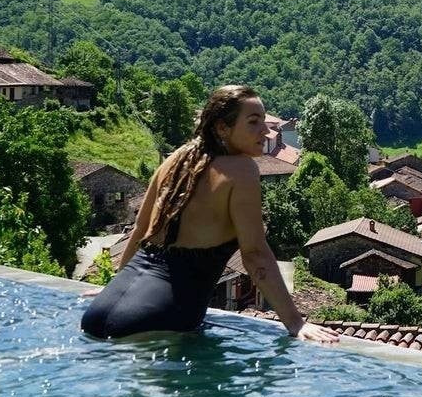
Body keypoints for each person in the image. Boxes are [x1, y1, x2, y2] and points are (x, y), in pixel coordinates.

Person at [81, 85, 338, 344]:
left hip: (103, 308)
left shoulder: (178, 158)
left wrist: (116, 289)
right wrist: (295, 322)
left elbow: (140, 231)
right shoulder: (242, 170)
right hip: (157, 317)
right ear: (222, 128)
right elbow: (255, 254)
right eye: (253, 122)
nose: (267, 131)